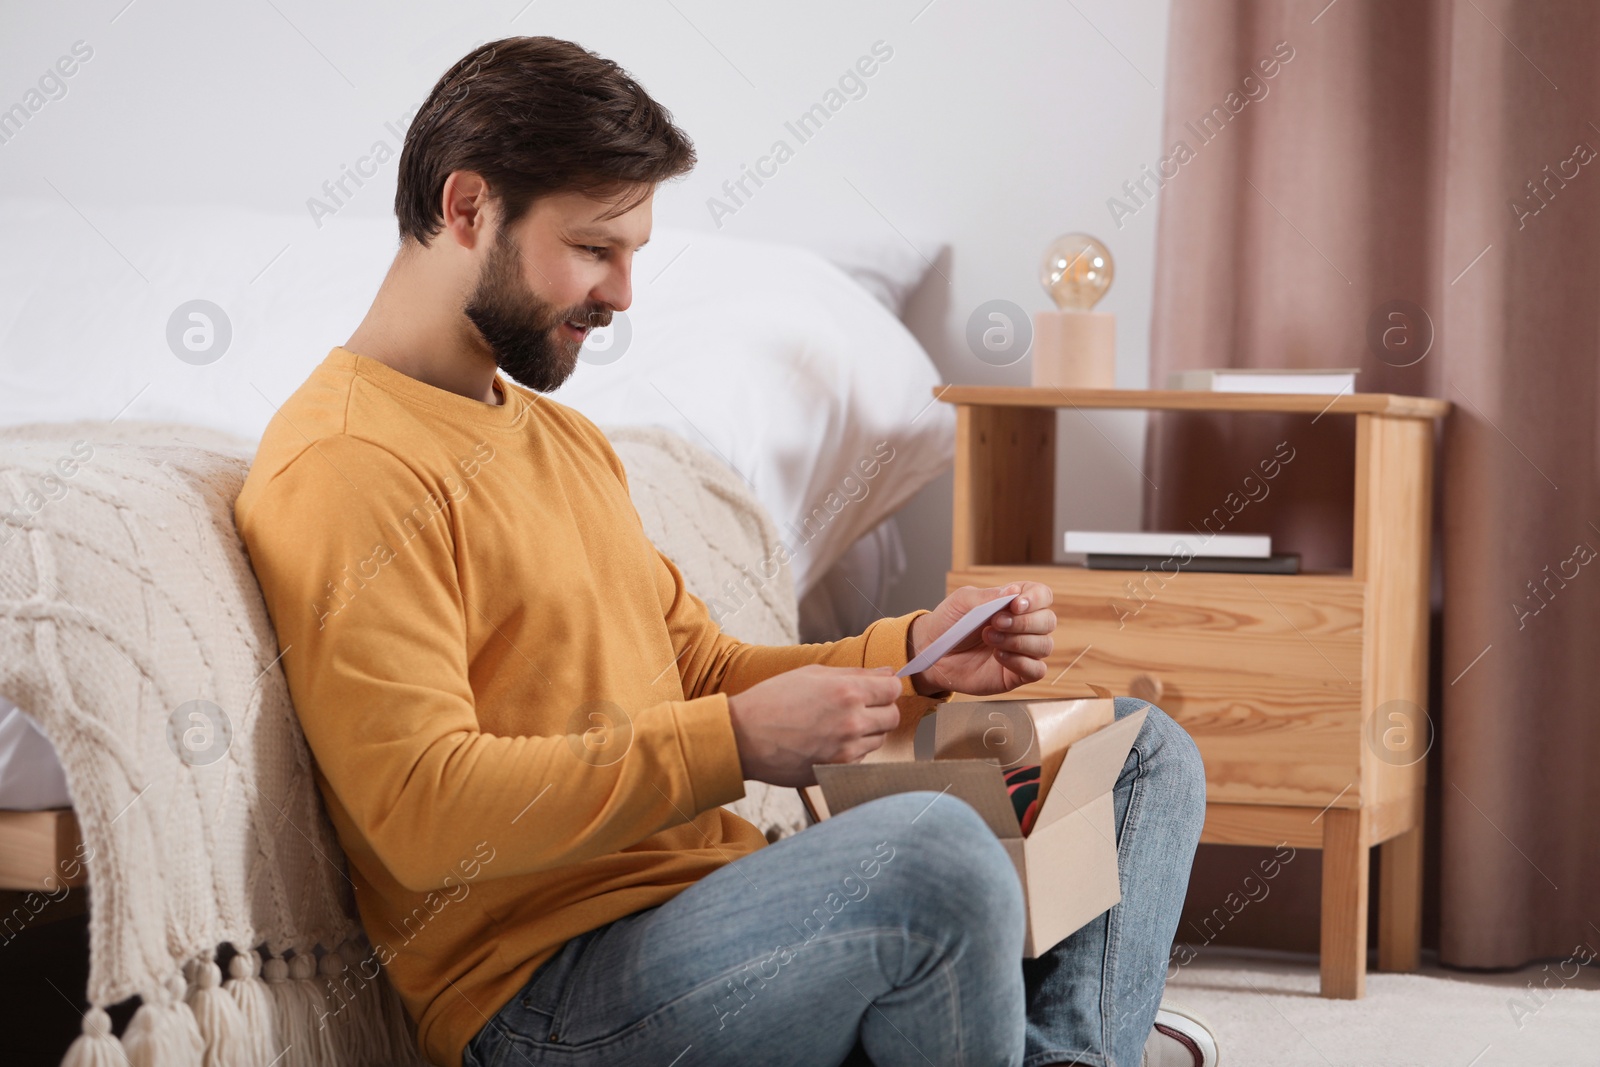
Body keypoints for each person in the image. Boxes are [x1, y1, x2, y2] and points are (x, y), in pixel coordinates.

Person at [234, 36, 1214, 1067]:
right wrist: (731, 744)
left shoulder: (558, 437)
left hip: (707, 907)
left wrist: (917, 655)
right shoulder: (349, 462)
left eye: (633, 255)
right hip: (546, 996)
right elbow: (423, 811)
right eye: (594, 247)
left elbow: (701, 671)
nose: (621, 294)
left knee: (1138, 755)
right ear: (468, 206)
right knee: (932, 858)